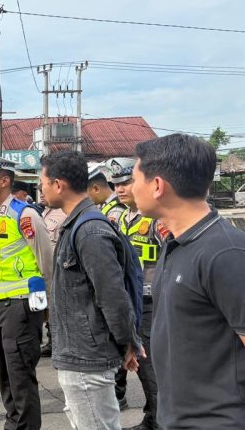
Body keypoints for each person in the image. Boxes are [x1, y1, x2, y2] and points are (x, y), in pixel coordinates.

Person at [133, 134, 245, 429]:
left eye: (135, 179)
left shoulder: (226, 253)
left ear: (157, 185)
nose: (130, 189)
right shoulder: (176, 245)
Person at [40, 151, 142, 430]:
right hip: (78, 353)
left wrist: (127, 342)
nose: (41, 190)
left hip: (88, 357)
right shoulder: (77, 224)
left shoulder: (90, 230)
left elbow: (112, 296)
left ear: (58, 184)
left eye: (43, 183)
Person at [0, 150, 53, 430]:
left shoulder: (25, 215)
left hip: (21, 305)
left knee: (20, 375)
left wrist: (46, 306)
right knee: (4, 372)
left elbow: (46, 263)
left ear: (5, 181)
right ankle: (13, 423)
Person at [109, 157, 162, 429]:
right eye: (116, 184)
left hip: (152, 301)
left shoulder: (156, 219)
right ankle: (152, 416)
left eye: (126, 182)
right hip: (128, 299)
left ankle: (158, 420)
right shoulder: (117, 217)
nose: (120, 189)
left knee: (150, 365)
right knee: (136, 362)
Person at [38, 203, 67, 358]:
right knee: (49, 306)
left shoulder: (64, 213)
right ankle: (52, 341)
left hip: (58, 268)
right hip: (45, 269)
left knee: (56, 307)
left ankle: (58, 342)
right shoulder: (44, 212)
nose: (42, 194)